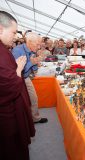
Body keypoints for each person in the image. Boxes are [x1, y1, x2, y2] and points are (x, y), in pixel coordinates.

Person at [0, 11, 35, 160]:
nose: (15, 36)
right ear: (0, 29)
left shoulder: (4, 50)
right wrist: (19, 70)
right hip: (7, 116)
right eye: (13, 32)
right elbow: (8, 86)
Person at [12, 32, 48, 123]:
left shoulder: (32, 50)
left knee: (33, 98)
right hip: (18, 79)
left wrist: (36, 61)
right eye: (38, 44)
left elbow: (34, 67)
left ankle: (35, 118)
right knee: (21, 101)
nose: (39, 47)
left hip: (26, 78)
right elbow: (19, 70)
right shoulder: (17, 51)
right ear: (30, 42)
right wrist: (33, 62)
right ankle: (24, 120)